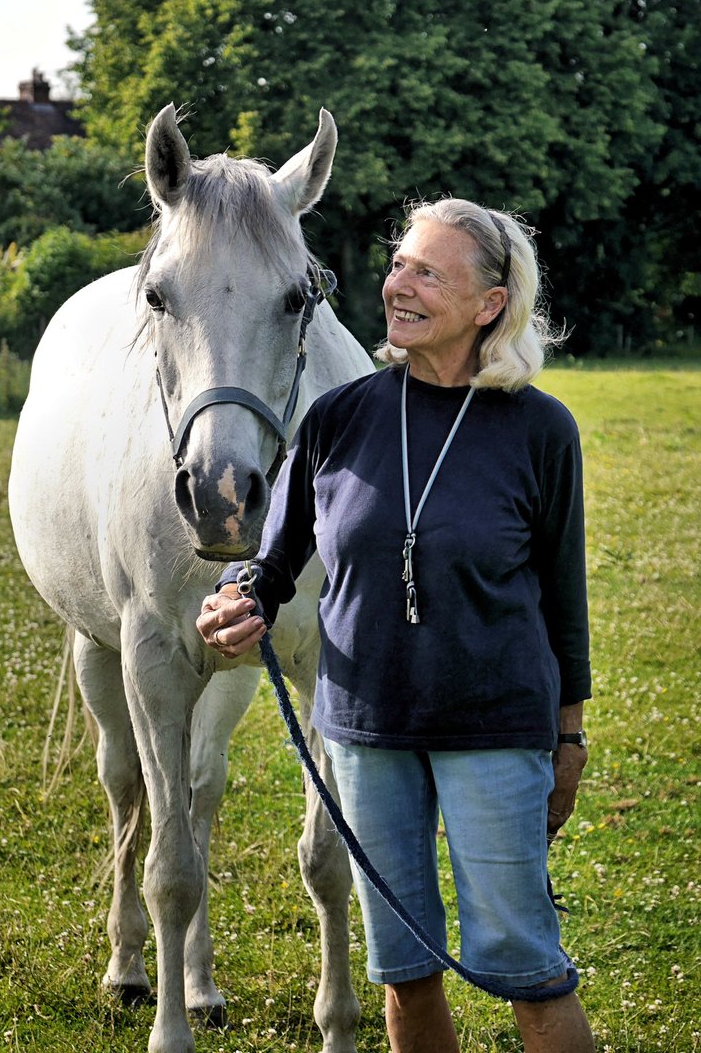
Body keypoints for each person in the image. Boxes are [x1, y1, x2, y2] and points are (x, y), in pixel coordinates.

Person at [196, 198, 594, 1053]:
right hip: (365, 732)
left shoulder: (539, 430)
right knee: (403, 968)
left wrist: (569, 741)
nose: (397, 285)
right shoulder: (338, 418)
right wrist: (240, 598)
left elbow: (565, 601)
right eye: (399, 263)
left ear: (489, 304)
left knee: (523, 961)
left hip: (494, 730)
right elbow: (271, 560)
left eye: (427, 272)